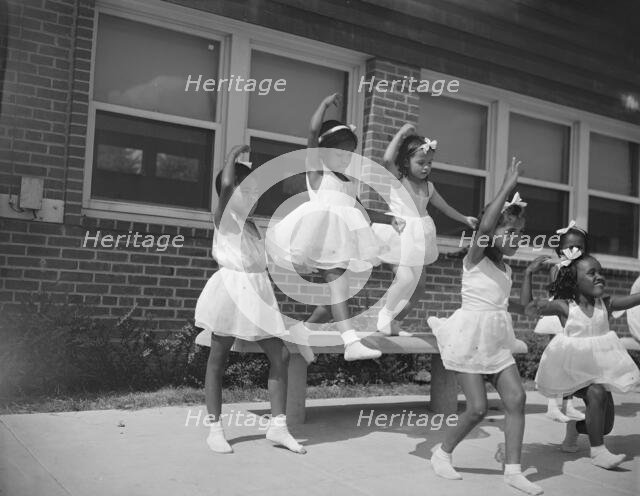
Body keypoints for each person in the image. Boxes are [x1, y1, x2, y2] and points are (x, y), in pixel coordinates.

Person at [427, 158, 543, 495]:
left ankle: (513, 470)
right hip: (469, 336)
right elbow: (486, 226)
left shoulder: (506, 271)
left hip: (495, 339)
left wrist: (531, 275)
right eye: (509, 230)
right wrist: (507, 185)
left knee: (517, 399)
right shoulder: (475, 257)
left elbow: (517, 306)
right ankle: (442, 452)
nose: (516, 237)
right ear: (491, 232)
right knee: (477, 408)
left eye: (520, 233)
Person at [267, 93, 401, 361]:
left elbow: (361, 211)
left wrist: (390, 218)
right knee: (339, 286)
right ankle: (351, 342)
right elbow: (312, 131)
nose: (345, 157)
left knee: (339, 297)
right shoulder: (317, 172)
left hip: (341, 240)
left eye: (349, 153)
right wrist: (323, 105)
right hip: (320, 236)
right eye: (339, 152)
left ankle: (304, 330)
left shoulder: (349, 182)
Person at [194, 144, 305, 454]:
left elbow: (272, 259)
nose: (252, 198)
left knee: (280, 355)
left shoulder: (255, 227)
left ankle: (278, 427)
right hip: (231, 293)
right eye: (247, 191)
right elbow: (228, 185)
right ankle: (215, 428)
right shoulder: (225, 219)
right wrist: (231, 156)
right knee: (218, 359)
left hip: (258, 294)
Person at [524, 252, 640, 469]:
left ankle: (575, 429)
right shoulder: (565, 307)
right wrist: (529, 273)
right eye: (592, 273)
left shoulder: (606, 303)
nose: (599, 277)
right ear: (574, 282)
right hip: (571, 370)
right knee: (596, 393)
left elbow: (636, 298)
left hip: (598, 370)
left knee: (605, 426)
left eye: (601, 272)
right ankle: (599, 453)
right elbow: (529, 307)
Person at [372, 123, 477, 335]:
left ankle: (395, 323)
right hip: (399, 235)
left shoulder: (429, 187)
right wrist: (402, 133)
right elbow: (386, 160)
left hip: (420, 238)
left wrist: (465, 219)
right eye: (420, 162)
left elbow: (445, 208)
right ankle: (385, 314)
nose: (426, 167)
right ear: (406, 161)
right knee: (406, 279)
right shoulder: (398, 181)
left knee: (418, 289)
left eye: (429, 163)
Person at [522, 221, 588, 423]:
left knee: (571, 364)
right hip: (560, 315)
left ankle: (568, 404)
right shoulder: (559, 268)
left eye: (580, 247)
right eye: (570, 247)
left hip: (574, 315)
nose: (575, 250)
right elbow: (559, 294)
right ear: (560, 249)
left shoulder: (581, 267)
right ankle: (552, 405)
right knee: (558, 362)